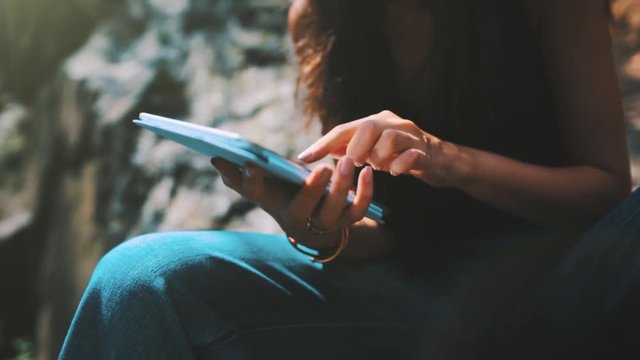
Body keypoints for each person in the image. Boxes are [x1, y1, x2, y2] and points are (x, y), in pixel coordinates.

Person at [60, 0, 640, 358]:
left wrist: (450, 161)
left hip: (564, 283)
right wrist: (314, 225)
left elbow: (606, 193)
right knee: (140, 276)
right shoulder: (321, 14)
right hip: (422, 292)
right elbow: (388, 231)